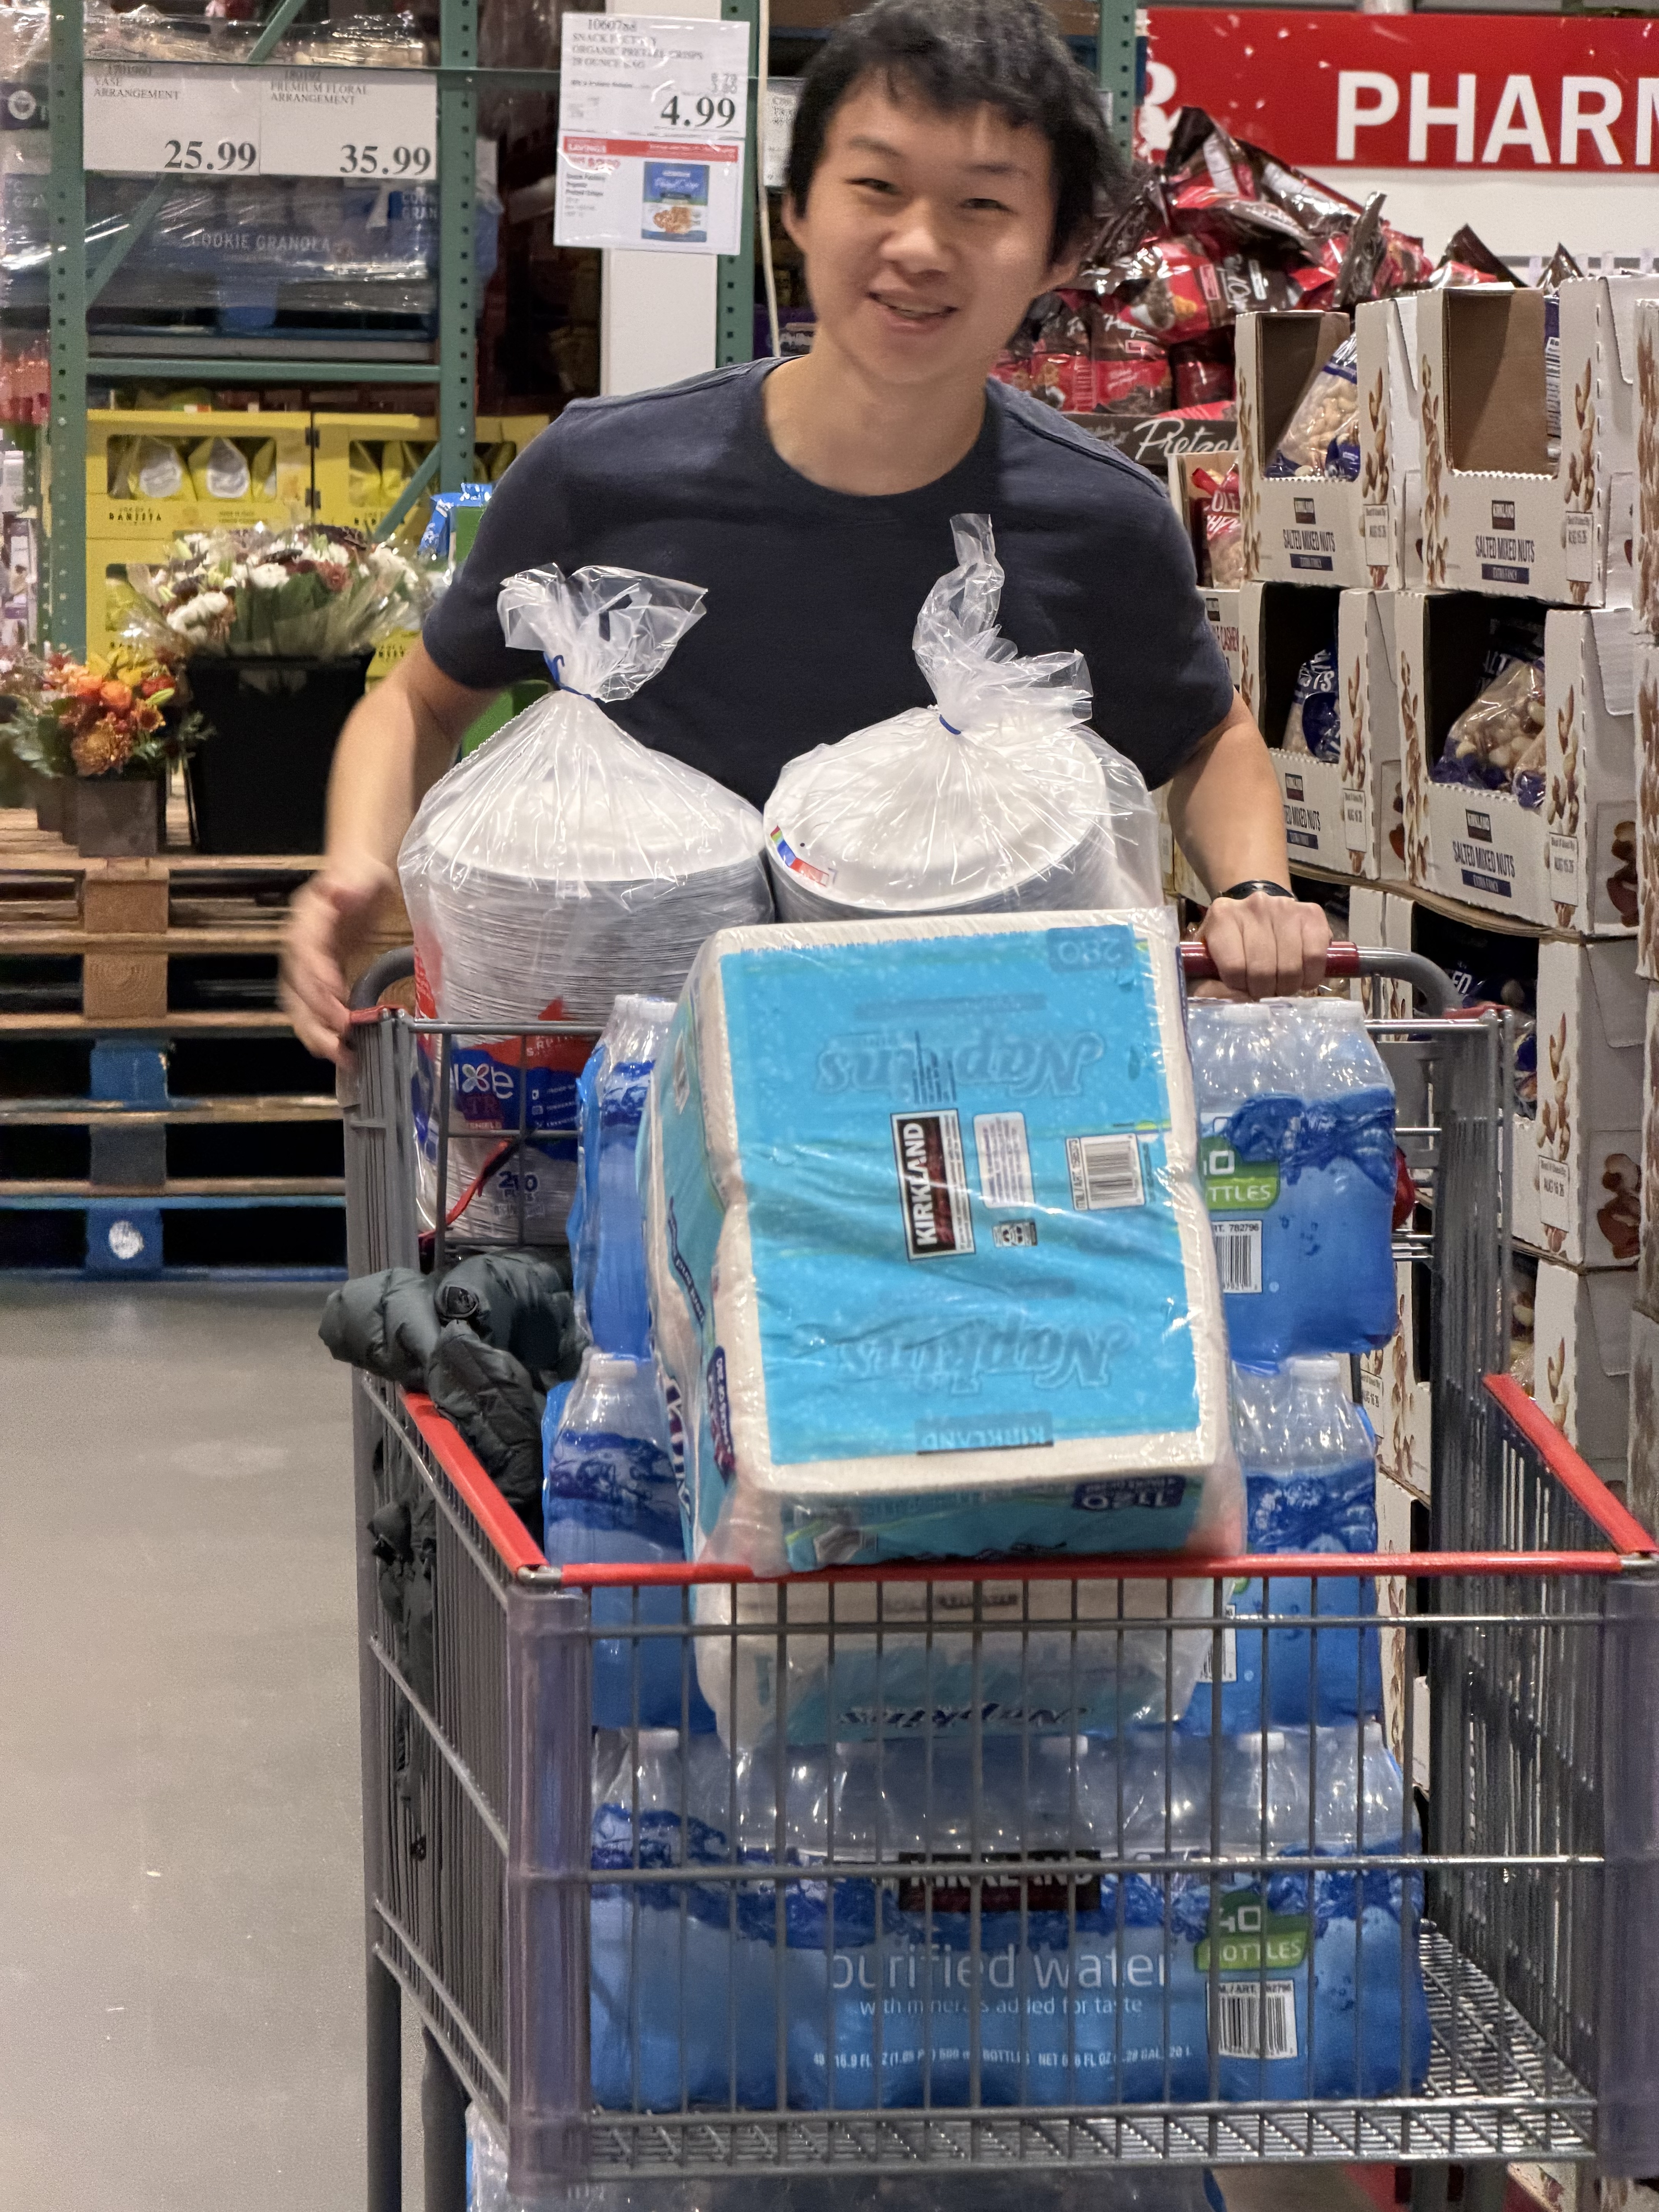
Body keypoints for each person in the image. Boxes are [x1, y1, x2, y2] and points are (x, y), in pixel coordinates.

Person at [280, 0, 1328, 1064]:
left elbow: (1204, 736)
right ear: (795, 210)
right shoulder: (603, 471)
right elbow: (418, 705)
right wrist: (354, 865)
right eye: (875, 186)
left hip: (961, 1088)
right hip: (630, 1091)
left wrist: (1253, 890)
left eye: (981, 206)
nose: (918, 245)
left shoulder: (1098, 517)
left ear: (1058, 252)